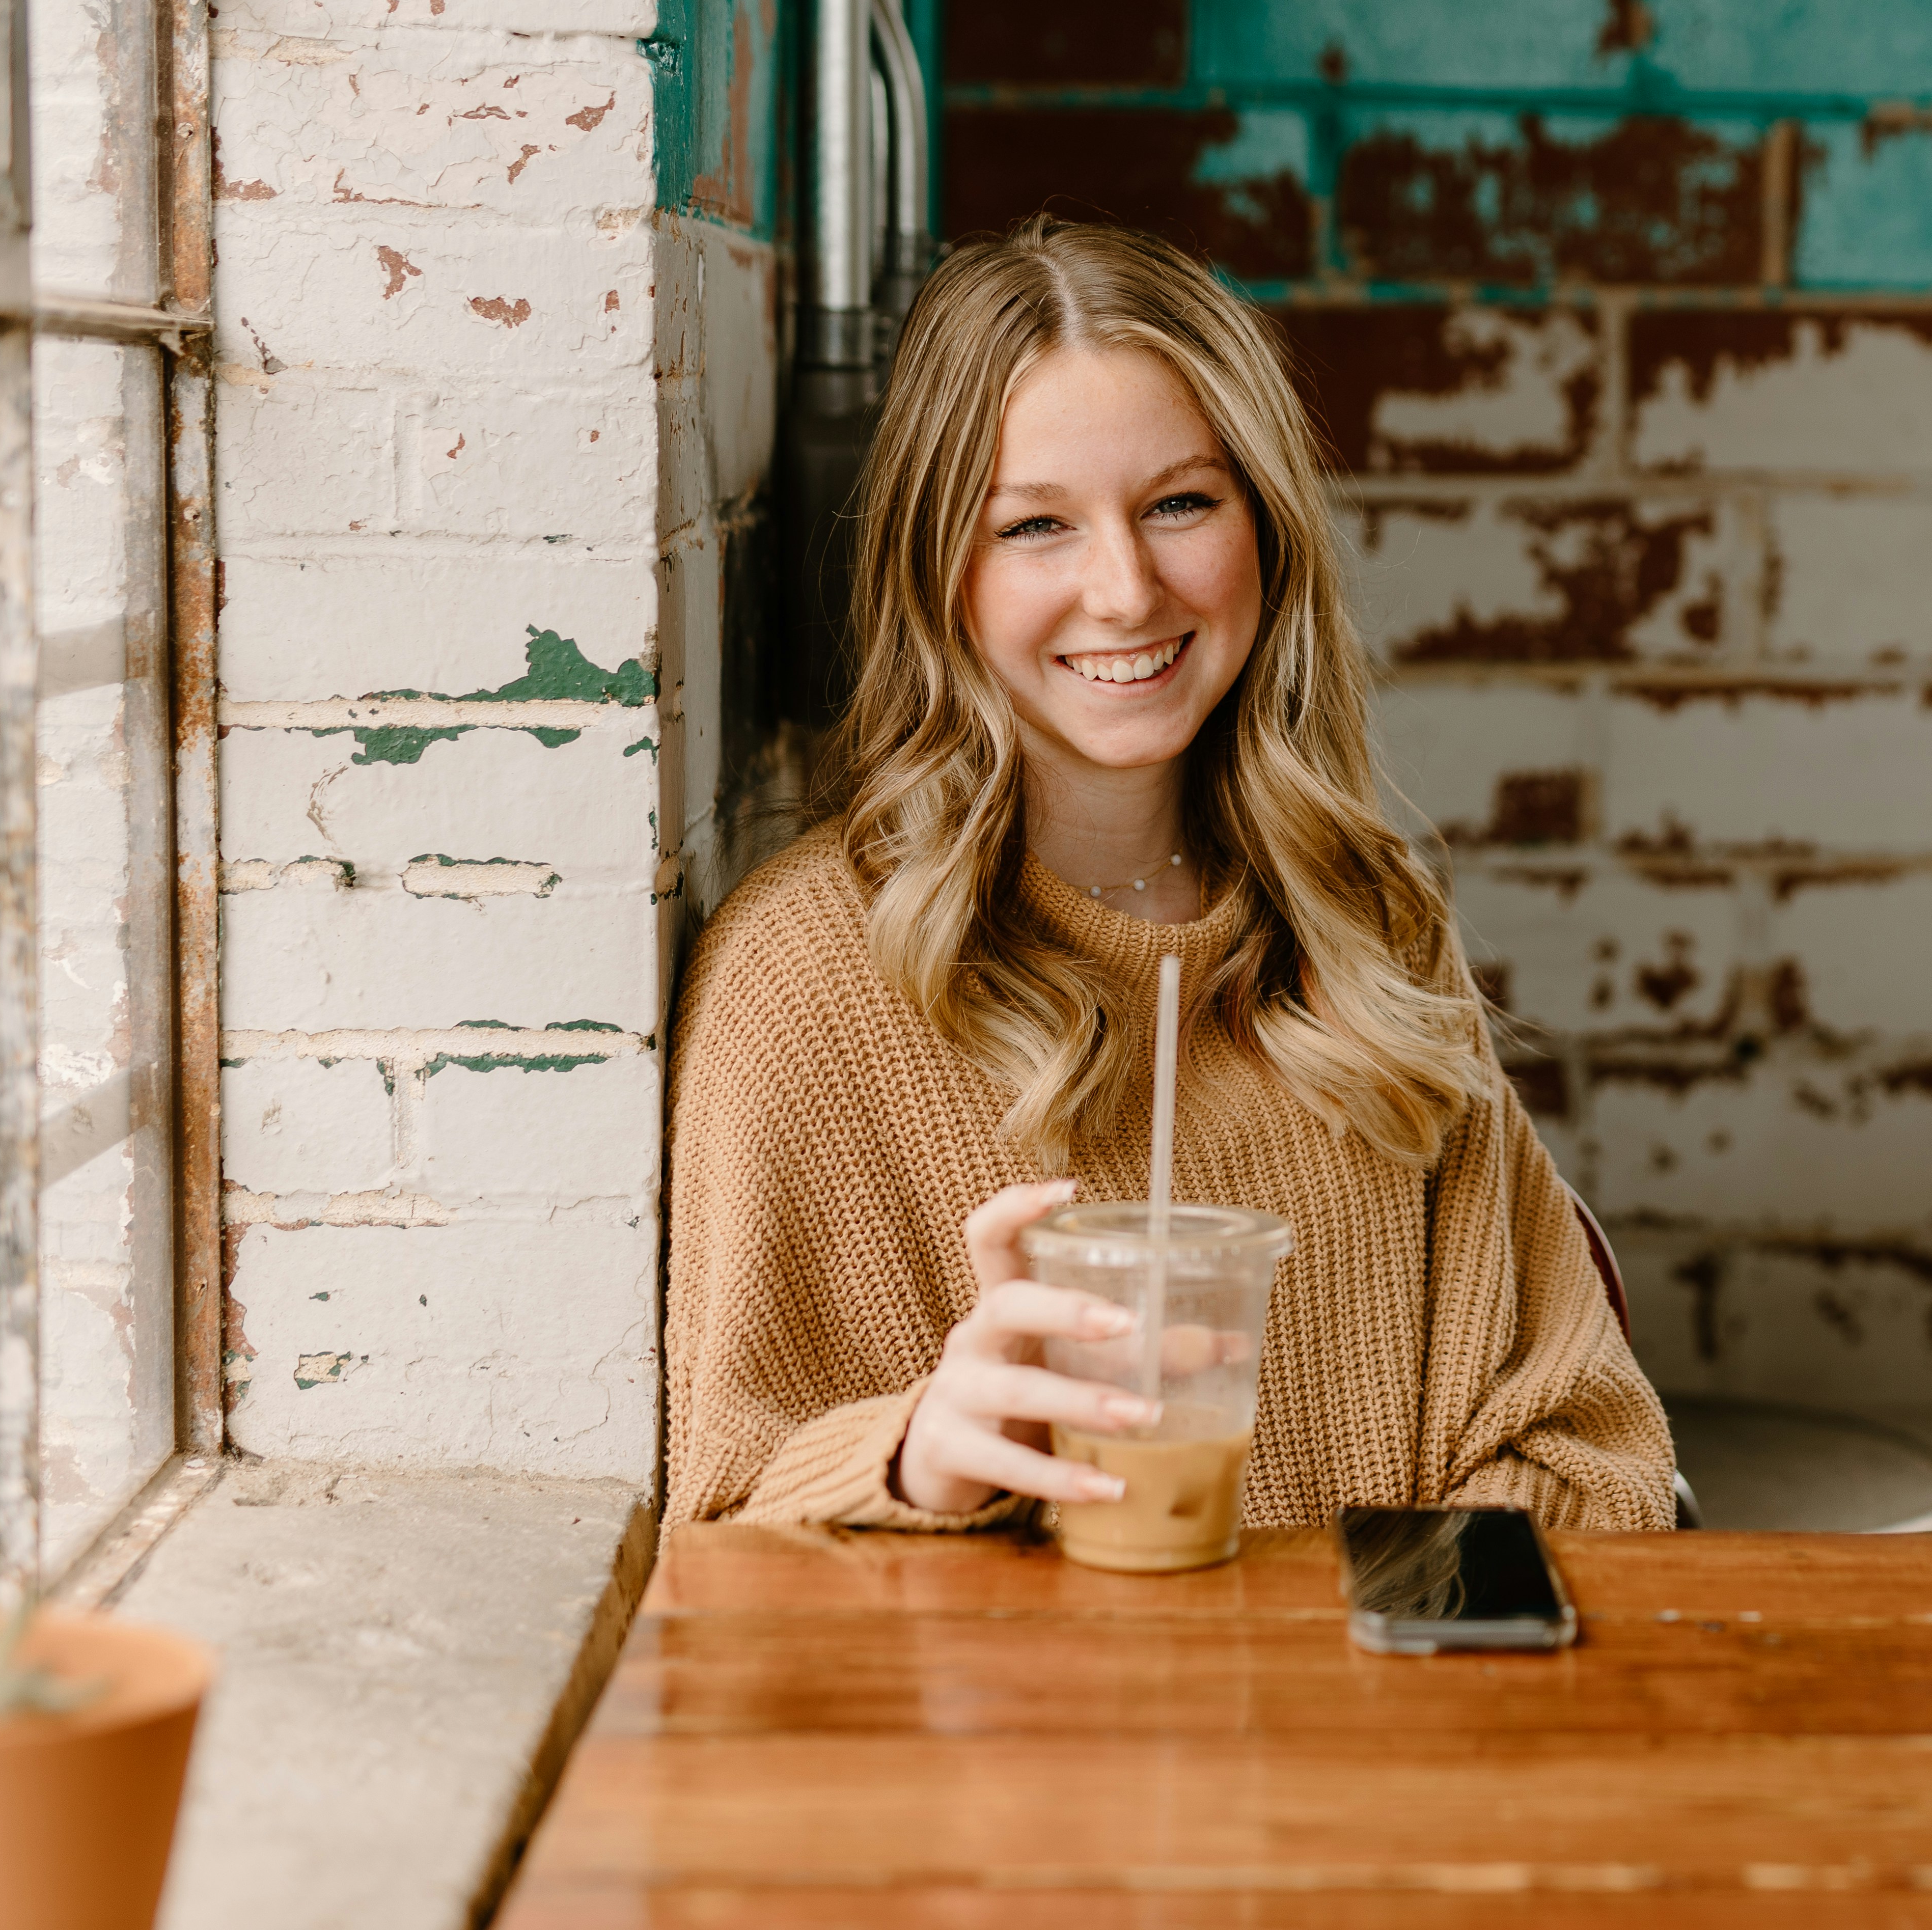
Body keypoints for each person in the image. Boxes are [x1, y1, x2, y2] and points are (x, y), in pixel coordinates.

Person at [663, 216, 1675, 1533]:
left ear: (1266, 524)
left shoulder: (1361, 923)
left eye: (1180, 503)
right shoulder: (803, 975)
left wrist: (1382, 1666)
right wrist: (916, 1458)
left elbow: (1583, 1440)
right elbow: (727, 1534)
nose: (1126, 589)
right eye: (1034, 525)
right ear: (939, 574)